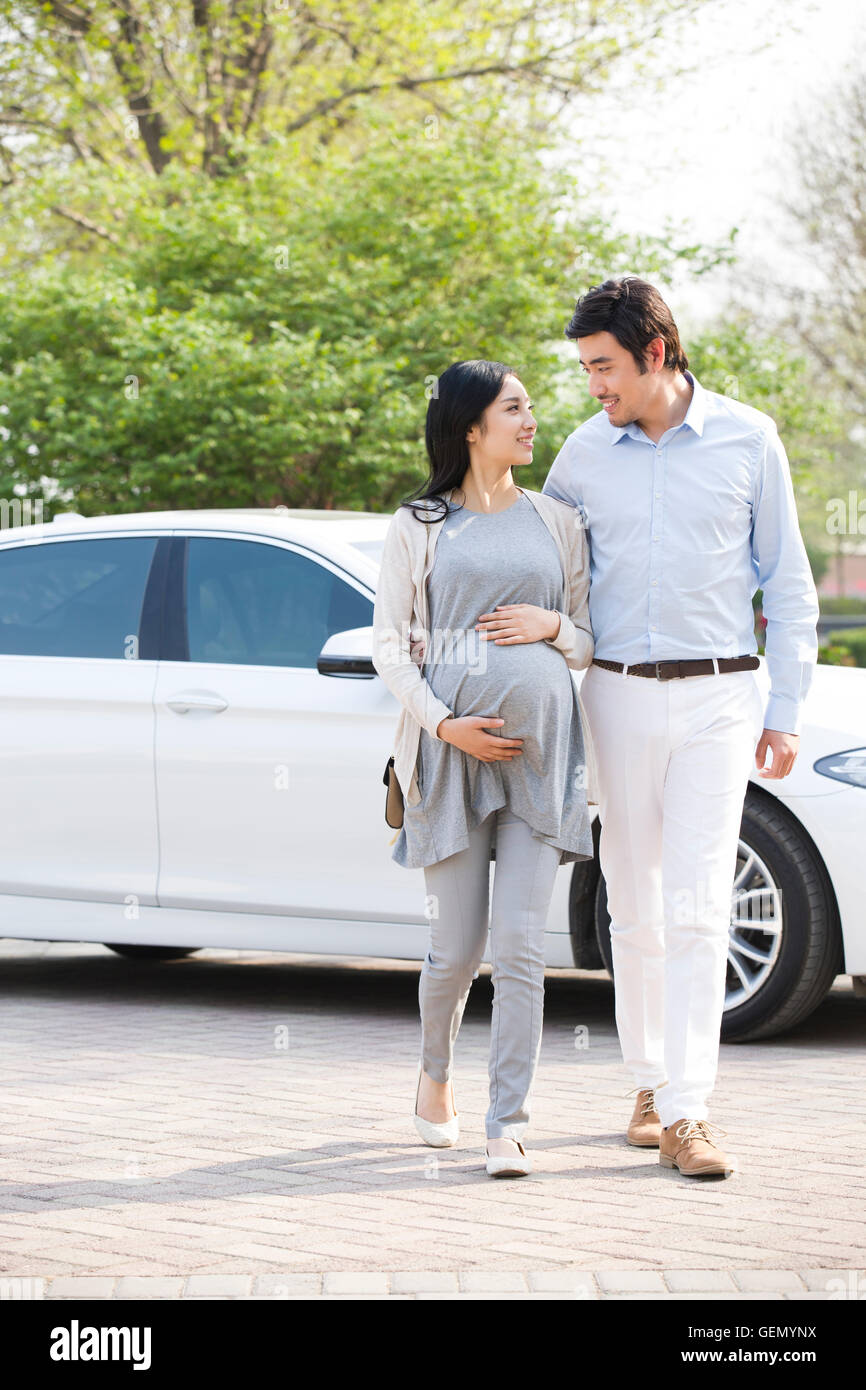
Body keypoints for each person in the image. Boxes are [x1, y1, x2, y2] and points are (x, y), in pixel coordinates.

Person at [542, 276, 819, 1177]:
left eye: (606, 367)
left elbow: (788, 585)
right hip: (615, 694)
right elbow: (544, 578)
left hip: (719, 698)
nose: (595, 387)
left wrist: (785, 709)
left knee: (699, 901)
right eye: (586, 369)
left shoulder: (750, 438)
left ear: (656, 352)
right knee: (632, 899)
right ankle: (650, 1083)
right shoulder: (582, 456)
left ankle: (690, 1110)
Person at [372, 359, 596, 1178]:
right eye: (515, 409)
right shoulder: (421, 522)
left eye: (531, 408)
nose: (532, 421)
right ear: (472, 427)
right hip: (451, 761)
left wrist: (550, 627)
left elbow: (586, 637)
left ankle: (509, 1122)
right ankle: (435, 1076)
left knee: (523, 948)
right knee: (458, 949)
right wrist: (447, 726)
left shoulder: (556, 520)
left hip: (545, 763)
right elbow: (391, 649)